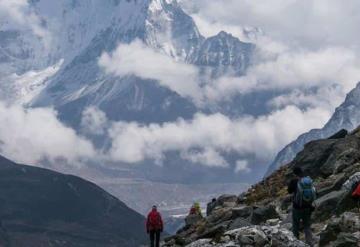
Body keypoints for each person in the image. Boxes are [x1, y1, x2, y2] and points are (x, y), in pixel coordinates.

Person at [288, 167, 316, 246]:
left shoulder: (294, 181)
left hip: (297, 207)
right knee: (307, 225)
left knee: (295, 226)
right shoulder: (307, 180)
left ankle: (296, 243)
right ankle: (310, 243)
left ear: (294, 174)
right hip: (307, 206)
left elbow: (289, 191)